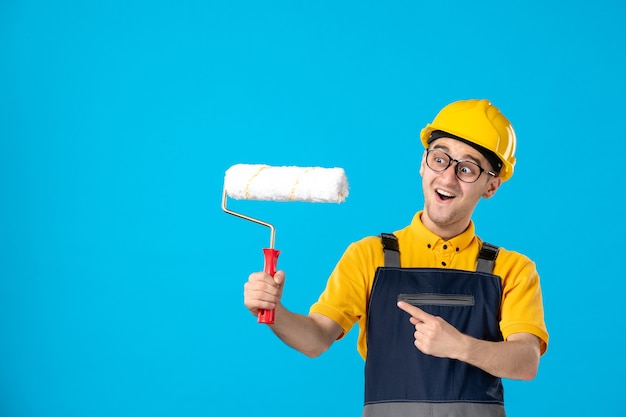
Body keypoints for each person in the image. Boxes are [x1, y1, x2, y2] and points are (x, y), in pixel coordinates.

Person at [243, 99, 549, 417]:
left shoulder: (512, 269)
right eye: (440, 159)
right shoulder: (369, 256)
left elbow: (526, 362)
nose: (447, 178)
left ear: (491, 186)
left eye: (467, 169)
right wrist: (274, 311)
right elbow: (316, 339)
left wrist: (459, 346)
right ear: (423, 162)